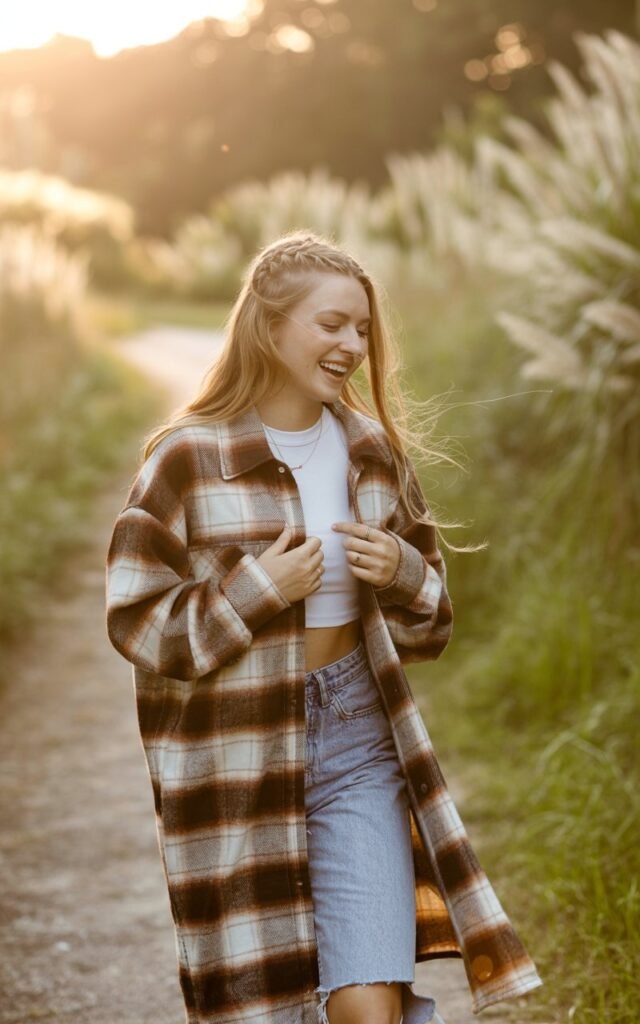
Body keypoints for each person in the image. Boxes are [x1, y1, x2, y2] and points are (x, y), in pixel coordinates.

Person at [105, 230, 542, 1024]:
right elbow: (138, 624)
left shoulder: (370, 451)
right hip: (235, 757)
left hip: (357, 740)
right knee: (262, 1003)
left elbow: (432, 624)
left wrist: (404, 574)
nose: (352, 344)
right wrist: (256, 590)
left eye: (363, 329)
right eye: (331, 324)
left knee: (367, 1006)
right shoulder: (187, 459)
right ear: (270, 327)